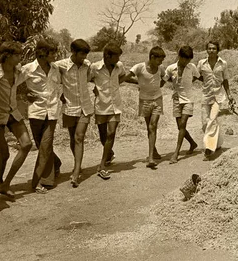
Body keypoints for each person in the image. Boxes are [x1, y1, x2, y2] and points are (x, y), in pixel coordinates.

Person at [0, 41, 33, 198]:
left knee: (27, 144)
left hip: (13, 114)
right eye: (17, 55)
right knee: (3, 153)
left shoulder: (19, 73)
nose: (20, 57)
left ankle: (6, 183)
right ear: (7, 56)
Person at [20, 38, 63, 194]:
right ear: (43, 53)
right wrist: (25, 94)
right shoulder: (28, 69)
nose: (55, 56)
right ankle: (56, 163)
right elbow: (13, 85)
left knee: (45, 145)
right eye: (52, 53)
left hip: (52, 112)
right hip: (36, 112)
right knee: (41, 145)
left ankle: (41, 180)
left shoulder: (56, 69)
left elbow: (65, 83)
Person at [54, 39, 93, 188]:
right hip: (70, 107)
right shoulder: (60, 65)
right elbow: (54, 81)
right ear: (73, 52)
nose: (83, 58)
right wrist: (60, 95)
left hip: (85, 107)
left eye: (85, 55)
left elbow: (88, 80)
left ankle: (76, 172)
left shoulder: (87, 65)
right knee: (72, 138)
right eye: (81, 55)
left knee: (79, 137)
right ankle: (78, 164)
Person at [125, 46, 167, 168]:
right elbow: (126, 78)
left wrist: (160, 85)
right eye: (159, 60)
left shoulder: (160, 68)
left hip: (157, 99)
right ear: (152, 57)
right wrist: (138, 82)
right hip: (144, 101)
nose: (161, 63)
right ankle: (153, 150)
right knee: (149, 128)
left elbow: (164, 78)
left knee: (153, 126)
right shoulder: (139, 67)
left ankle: (151, 158)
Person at [90, 42, 127, 180]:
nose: (118, 60)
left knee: (111, 133)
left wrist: (116, 84)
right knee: (103, 135)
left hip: (115, 105)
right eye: (116, 56)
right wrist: (96, 88)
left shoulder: (119, 66)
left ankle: (102, 166)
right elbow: (86, 79)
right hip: (101, 105)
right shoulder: (95, 68)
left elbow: (122, 76)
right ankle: (109, 153)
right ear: (107, 56)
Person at [197, 41, 233, 161]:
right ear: (206, 50)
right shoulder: (201, 63)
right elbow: (197, 76)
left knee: (212, 120)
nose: (211, 50)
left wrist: (229, 95)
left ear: (218, 50)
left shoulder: (223, 64)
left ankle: (209, 149)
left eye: (214, 49)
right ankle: (218, 143)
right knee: (205, 123)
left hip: (218, 96)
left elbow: (225, 80)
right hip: (206, 95)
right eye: (209, 48)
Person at [164, 45, 199, 164]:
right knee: (180, 127)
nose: (187, 62)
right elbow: (166, 79)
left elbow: (197, 77)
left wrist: (187, 85)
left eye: (189, 59)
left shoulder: (192, 67)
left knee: (183, 123)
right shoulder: (170, 68)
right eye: (185, 59)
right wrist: (176, 87)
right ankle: (193, 143)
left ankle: (176, 153)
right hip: (177, 99)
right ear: (179, 57)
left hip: (188, 99)